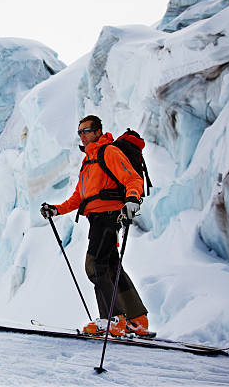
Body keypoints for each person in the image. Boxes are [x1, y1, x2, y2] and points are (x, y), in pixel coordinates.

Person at [40, 115, 149, 337]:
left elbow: (133, 179)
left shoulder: (109, 152)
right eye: (79, 131)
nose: (83, 135)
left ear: (98, 130)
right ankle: (137, 319)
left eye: (87, 130)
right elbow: (79, 196)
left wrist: (132, 199)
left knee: (95, 265)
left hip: (109, 216)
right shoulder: (88, 161)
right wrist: (56, 209)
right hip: (96, 219)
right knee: (110, 267)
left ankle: (112, 320)